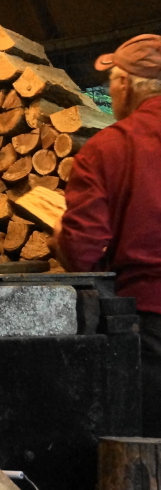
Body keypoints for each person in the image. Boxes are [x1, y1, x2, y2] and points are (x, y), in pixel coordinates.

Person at [54, 34, 161, 434]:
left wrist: (59, 236)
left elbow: (82, 252)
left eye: (111, 83)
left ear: (124, 83)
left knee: (146, 446)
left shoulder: (106, 149)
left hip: (148, 323)